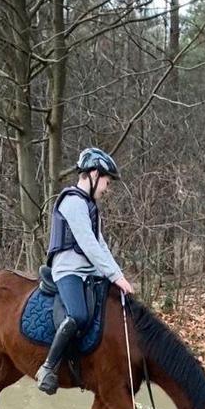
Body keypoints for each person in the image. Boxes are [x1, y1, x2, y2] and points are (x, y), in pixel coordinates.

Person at [35, 147, 134, 395]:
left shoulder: (90, 207)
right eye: (106, 182)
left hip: (88, 272)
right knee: (78, 315)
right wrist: (115, 276)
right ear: (93, 174)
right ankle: (48, 367)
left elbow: (100, 245)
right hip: (68, 270)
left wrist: (118, 276)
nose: (106, 188)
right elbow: (88, 245)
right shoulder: (72, 203)